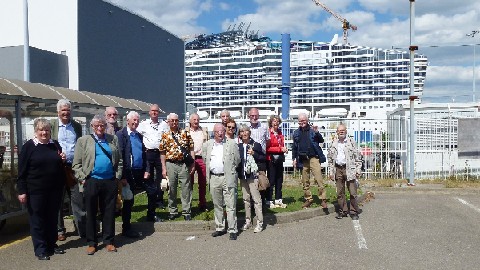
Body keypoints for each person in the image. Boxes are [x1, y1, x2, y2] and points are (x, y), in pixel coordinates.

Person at [17, 118, 67, 260]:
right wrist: (22, 191)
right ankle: (40, 249)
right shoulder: (29, 147)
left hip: (55, 189)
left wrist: (62, 158)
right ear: (36, 131)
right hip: (35, 190)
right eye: (41, 130)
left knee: (52, 218)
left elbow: (58, 162)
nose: (44, 133)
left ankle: (51, 244)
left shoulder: (54, 144)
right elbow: (22, 172)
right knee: (37, 219)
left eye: (47, 130)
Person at [72, 115, 122, 255]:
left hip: (109, 181)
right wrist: (83, 179)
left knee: (109, 212)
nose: (100, 128)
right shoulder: (84, 141)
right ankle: (92, 242)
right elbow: (76, 164)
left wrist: (117, 176)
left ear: (105, 126)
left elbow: (120, 160)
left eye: (102, 125)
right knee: (91, 212)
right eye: (97, 126)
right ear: (92, 127)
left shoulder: (113, 139)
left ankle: (109, 241)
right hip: (91, 181)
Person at [117, 111, 160, 239]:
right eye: (134, 120)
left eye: (137, 120)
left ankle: (151, 215)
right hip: (128, 172)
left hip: (141, 171)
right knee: (129, 200)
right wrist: (123, 176)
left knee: (152, 191)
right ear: (128, 120)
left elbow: (145, 154)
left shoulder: (139, 136)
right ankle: (126, 227)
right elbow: (120, 156)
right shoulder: (121, 135)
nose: (136, 122)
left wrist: (147, 170)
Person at [50, 99, 85, 241]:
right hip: (57, 168)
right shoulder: (52, 125)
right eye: (63, 110)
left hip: (73, 168)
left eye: (68, 110)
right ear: (58, 112)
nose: (66, 113)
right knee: (58, 200)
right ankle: (60, 230)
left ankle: (82, 228)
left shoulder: (76, 126)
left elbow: (80, 144)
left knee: (77, 199)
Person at [202, 123, 241, 240]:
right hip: (214, 178)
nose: (220, 133)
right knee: (217, 204)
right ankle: (219, 227)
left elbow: (237, 160)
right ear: (213, 132)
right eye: (217, 131)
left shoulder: (231, 143)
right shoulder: (207, 145)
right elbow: (205, 160)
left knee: (231, 204)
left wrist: (230, 170)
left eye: (222, 131)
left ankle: (233, 229)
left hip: (227, 177)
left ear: (225, 132)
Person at [160, 113, 195, 221]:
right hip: (170, 164)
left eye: (176, 120)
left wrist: (192, 164)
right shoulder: (165, 135)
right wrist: (164, 168)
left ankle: (186, 211)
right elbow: (162, 152)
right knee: (171, 188)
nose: (174, 122)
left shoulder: (185, 133)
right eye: (172, 120)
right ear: (168, 122)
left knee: (186, 188)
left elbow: (191, 149)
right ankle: (173, 211)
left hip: (183, 164)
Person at [292, 112, 327, 209]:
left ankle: (323, 199)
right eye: (300, 121)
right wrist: (294, 158)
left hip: (314, 158)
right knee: (305, 181)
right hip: (303, 159)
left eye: (303, 120)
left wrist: (317, 132)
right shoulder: (296, 133)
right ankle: (308, 199)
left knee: (319, 179)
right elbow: (294, 147)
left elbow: (321, 140)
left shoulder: (312, 130)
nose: (301, 122)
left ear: (307, 120)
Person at [327, 124, 362, 220]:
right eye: (339, 131)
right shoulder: (333, 143)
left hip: (349, 169)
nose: (341, 132)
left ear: (346, 131)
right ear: (337, 132)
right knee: (339, 192)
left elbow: (357, 157)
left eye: (343, 130)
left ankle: (354, 211)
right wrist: (331, 172)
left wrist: (358, 169)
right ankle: (343, 211)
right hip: (338, 169)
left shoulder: (351, 142)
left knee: (353, 192)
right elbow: (330, 159)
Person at [137, 104, 166, 208]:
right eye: (152, 111)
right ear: (149, 112)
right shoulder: (143, 124)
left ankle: (159, 200)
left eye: (156, 111)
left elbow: (166, 137)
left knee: (160, 177)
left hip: (159, 154)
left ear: (159, 113)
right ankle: (151, 199)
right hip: (148, 153)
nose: (154, 112)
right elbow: (137, 135)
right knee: (148, 176)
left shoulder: (163, 124)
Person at [237, 125, 264, 233]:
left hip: (252, 176)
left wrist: (255, 154)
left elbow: (263, 158)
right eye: (242, 131)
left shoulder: (255, 145)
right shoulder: (238, 146)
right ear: (239, 134)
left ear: (249, 133)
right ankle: (248, 221)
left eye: (246, 131)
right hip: (243, 176)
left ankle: (259, 222)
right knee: (246, 199)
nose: (244, 133)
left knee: (256, 200)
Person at [186, 113, 208, 212]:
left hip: (202, 158)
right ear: (190, 121)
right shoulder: (185, 131)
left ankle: (202, 203)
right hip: (190, 160)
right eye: (194, 119)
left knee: (203, 182)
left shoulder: (203, 131)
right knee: (188, 183)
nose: (196, 121)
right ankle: (188, 205)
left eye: (197, 119)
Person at [248, 108, 270, 205]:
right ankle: (252, 202)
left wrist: (262, 151)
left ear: (259, 115)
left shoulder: (264, 127)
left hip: (261, 157)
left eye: (256, 115)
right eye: (252, 115)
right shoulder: (246, 127)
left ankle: (261, 201)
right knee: (251, 180)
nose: (254, 117)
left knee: (261, 179)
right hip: (249, 156)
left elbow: (268, 141)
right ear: (248, 116)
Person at [266, 115, 288, 208]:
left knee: (279, 179)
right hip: (271, 159)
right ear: (271, 122)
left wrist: (284, 149)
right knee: (271, 180)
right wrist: (280, 149)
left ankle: (279, 199)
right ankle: (269, 200)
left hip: (279, 159)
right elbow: (267, 147)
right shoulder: (268, 133)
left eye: (277, 121)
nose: (276, 123)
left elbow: (281, 144)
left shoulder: (280, 133)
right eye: (274, 121)